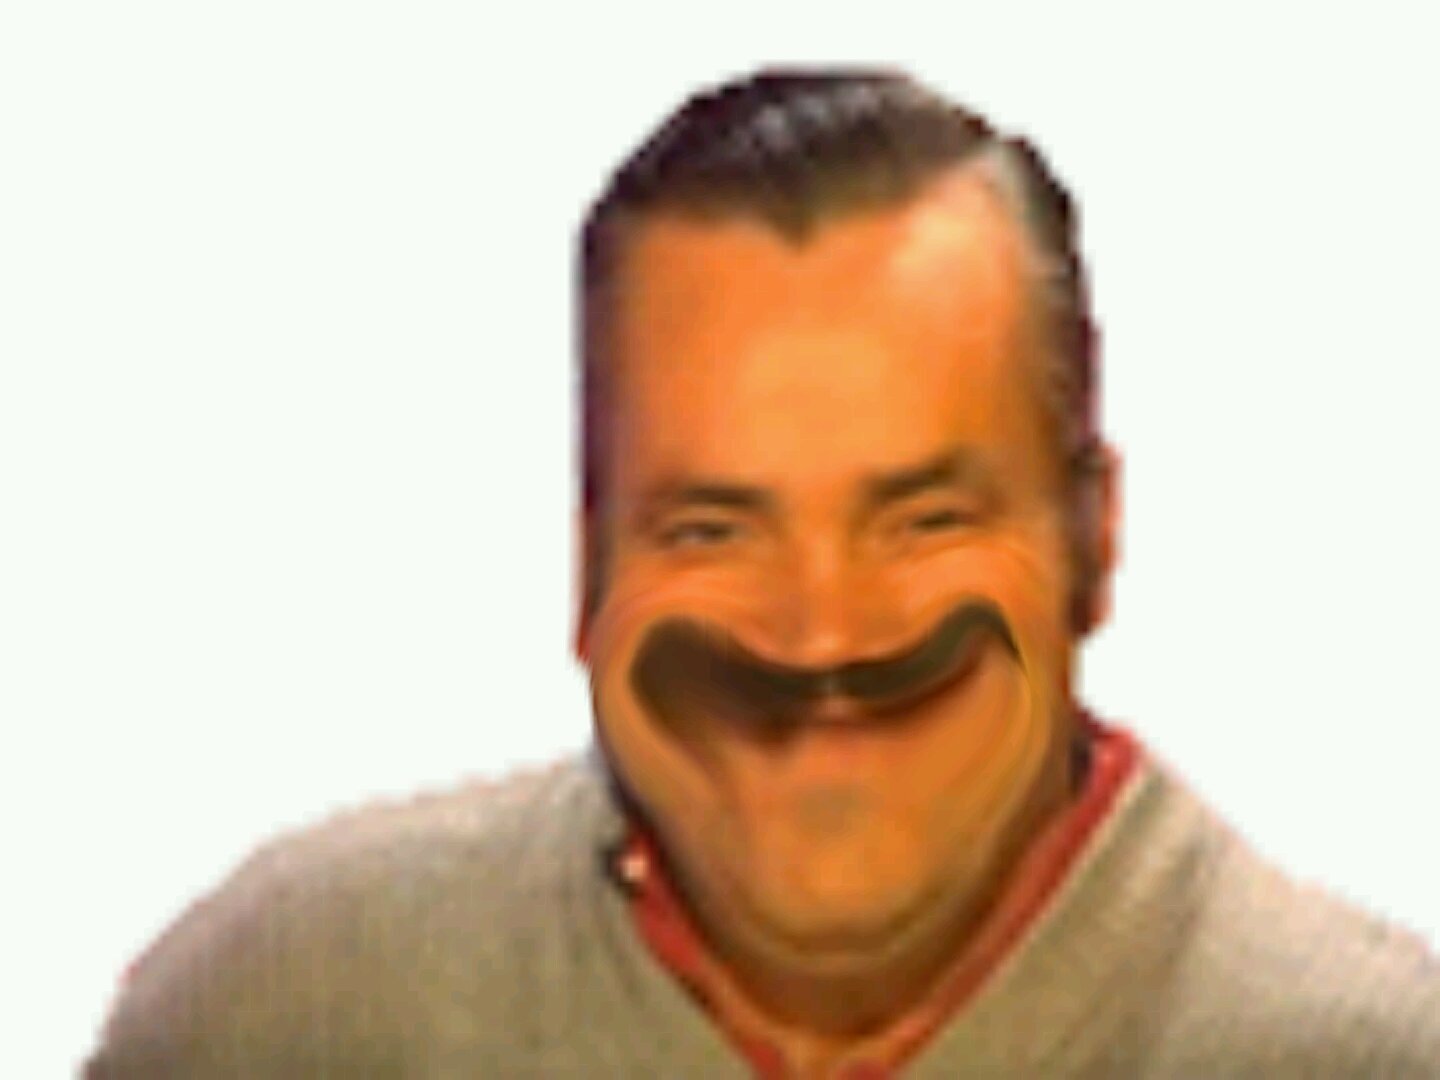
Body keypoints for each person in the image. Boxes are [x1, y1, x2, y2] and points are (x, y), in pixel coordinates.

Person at [85, 67, 1440, 1079]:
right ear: (586, 572)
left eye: (921, 520)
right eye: (711, 530)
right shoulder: (283, 1018)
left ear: (1095, 539)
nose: (821, 635)